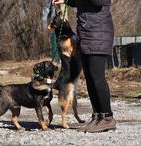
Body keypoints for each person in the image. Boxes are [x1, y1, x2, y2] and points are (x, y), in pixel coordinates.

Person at [51, 0, 116, 133]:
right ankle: (97, 116)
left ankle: (107, 117)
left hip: (98, 33)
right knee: (90, 77)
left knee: (97, 77)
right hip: (86, 33)